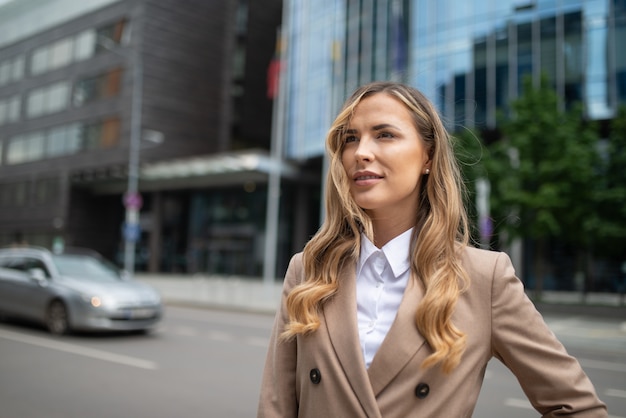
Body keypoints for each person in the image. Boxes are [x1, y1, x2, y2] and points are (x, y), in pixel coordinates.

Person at [257, 81, 607, 417]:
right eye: (351, 139)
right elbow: (275, 408)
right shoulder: (309, 269)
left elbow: (578, 408)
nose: (360, 152)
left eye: (385, 134)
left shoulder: (484, 278)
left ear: (428, 156)